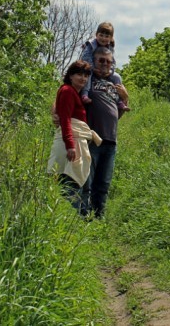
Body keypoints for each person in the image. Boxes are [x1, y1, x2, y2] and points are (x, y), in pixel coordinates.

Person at [46, 60, 102, 214]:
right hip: (71, 143)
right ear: (70, 75)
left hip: (76, 140)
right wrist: (70, 145)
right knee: (70, 182)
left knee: (78, 182)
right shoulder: (67, 91)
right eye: (79, 74)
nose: (83, 78)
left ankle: (80, 218)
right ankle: (75, 218)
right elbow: (65, 119)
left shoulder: (74, 93)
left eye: (85, 75)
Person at [82, 46, 128, 219]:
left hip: (110, 141)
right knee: (87, 180)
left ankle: (98, 217)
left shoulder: (115, 83)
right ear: (93, 61)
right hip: (92, 139)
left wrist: (125, 98)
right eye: (101, 60)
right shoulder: (87, 80)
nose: (104, 64)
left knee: (103, 183)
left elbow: (119, 114)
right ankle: (82, 217)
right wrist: (55, 113)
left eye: (108, 61)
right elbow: (65, 91)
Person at [79, 21, 131, 115]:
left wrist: (110, 71)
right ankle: (84, 94)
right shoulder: (91, 45)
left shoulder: (110, 47)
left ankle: (119, 101)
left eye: (106, 36)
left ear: (111, 38)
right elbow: (85, 59)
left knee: (117, 77)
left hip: (105, 73)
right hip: (89, 68)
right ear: (96, 34)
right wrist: (93, 68)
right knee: (88, 75)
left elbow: (113, 61)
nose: (103, 38)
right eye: (101, 35)